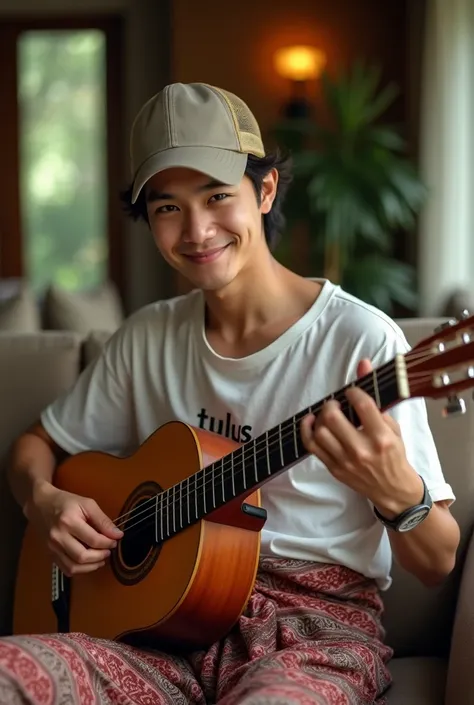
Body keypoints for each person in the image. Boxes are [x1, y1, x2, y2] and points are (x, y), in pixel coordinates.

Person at [0, 82, 460, 705]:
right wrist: (45, 500)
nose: (197, 230)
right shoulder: (146, 338)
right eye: (167, 208)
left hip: (310, 636)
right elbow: (36, 444)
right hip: (154, 638)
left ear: (264, 191)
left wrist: (393, 490)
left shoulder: (359, 341)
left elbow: (436, 562)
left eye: (218, 196)